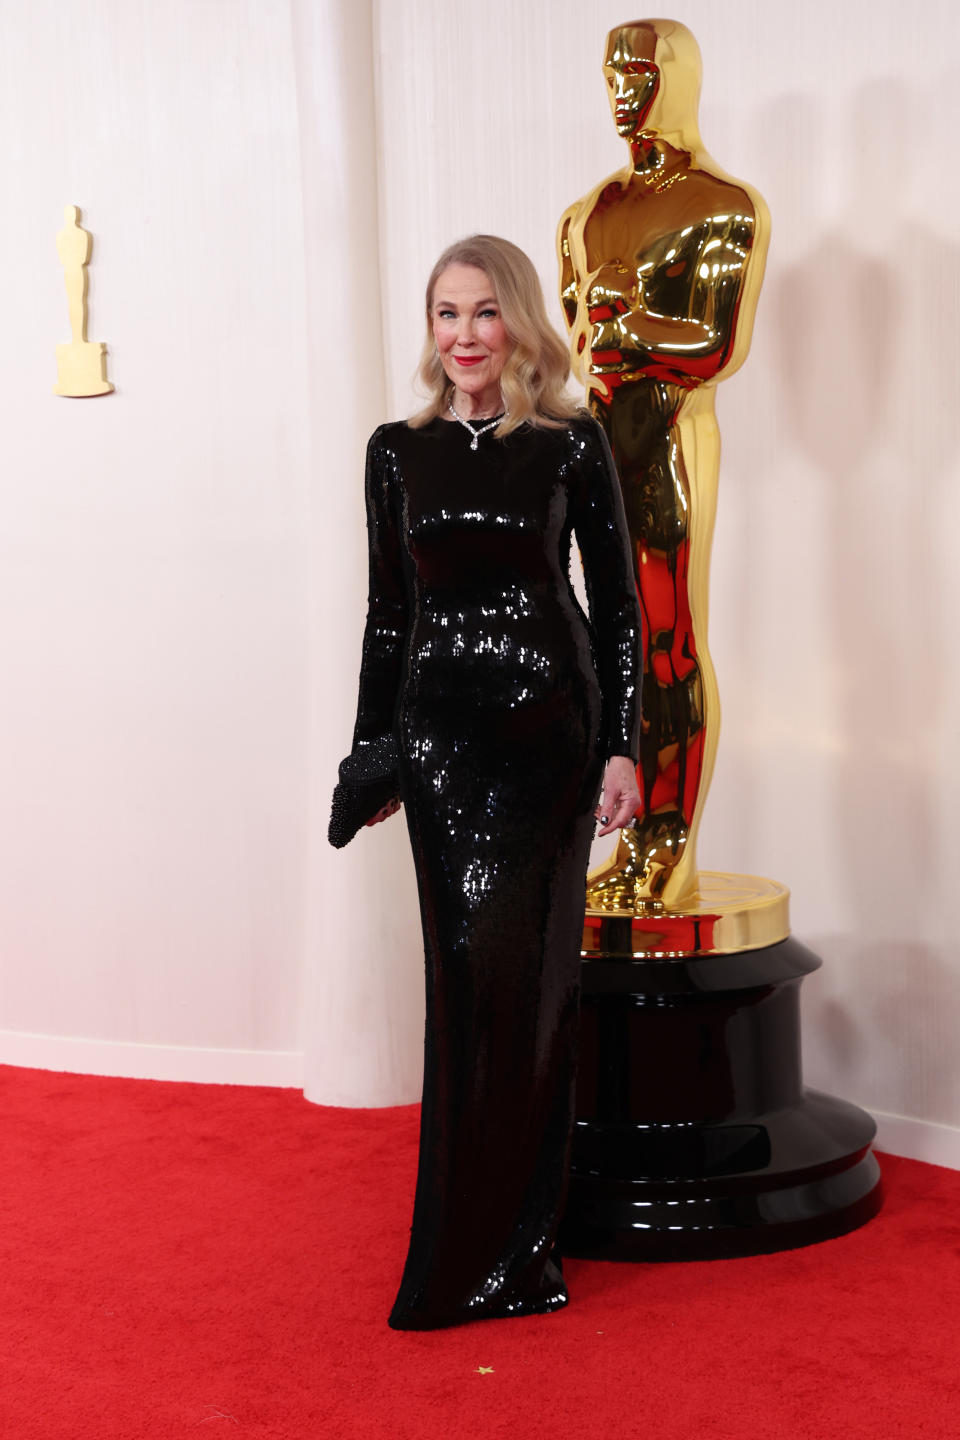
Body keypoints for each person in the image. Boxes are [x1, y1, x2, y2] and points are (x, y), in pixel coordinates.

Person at [341, 234, 642, 1330]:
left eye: (483, 313)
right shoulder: (394, 451)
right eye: (444, 316)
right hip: (441, 749)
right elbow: (387, 617)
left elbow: (616, 609)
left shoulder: (569, 443)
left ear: (517, 320)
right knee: (466, 983)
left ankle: (519, 1249)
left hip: (546, 742)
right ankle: (466, 1249)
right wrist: (373, 753)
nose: (463, 336)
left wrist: (622, 745)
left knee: (534, 986)